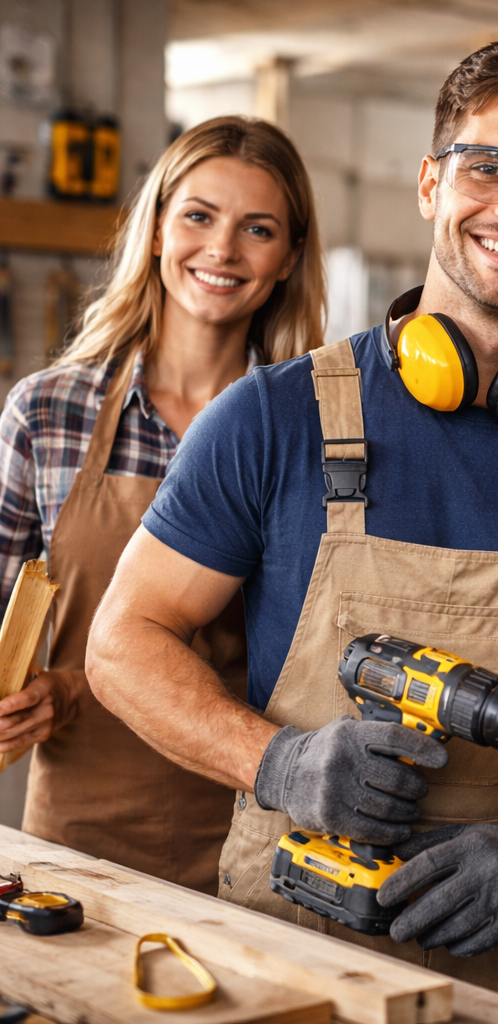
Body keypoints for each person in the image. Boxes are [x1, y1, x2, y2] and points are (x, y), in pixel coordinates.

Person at [85, 38, 498, 1022]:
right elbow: (123, 644)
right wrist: (276, 762)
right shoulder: (271, 418)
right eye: (488, 167)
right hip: (285, 956)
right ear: (430, 183)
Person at [0, 116, 325, 895]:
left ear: (288, 259)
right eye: (199, 216)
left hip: (266, 832)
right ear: (154, 231)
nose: (222, 250)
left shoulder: (316, 432)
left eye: (258, 228)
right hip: (80, 835)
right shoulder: (48, 414)